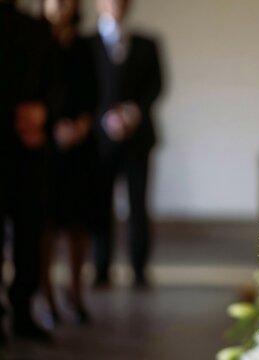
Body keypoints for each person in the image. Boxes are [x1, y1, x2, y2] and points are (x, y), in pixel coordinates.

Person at [90, 0, 162, 288]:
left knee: (138, 205)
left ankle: (139, 268)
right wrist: (104, 118)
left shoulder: (147, 43)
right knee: (99, 204)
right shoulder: (88, 44)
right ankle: (100, 268)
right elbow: (84, 87)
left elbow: (157, 84)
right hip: (99, 140)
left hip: (138, 138)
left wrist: (131, 114)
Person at [0, 0, 56, 341]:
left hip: (28, 150)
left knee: (29, 233)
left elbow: (53, 81)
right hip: (11, 138)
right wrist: (16, 116)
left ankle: (22, 310)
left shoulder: (36, 29)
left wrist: (43, 114)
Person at [41, 0, 97, 324]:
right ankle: (46, 294)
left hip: (81, 146)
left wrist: (82, 125)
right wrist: (53, 126)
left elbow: (94, 90)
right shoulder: (34, 39)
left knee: (78, 223)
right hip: (46, 146)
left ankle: (75, 292)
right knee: (45, 224)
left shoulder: (84, 45)